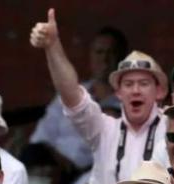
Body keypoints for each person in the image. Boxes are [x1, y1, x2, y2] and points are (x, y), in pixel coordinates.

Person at [30, 8, 169, 184]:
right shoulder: (105, 129)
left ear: (159, 91)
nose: (135, 90)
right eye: (128, 84)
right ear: (119, 93)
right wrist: (53, 46)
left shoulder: (173, 130)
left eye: (143, 83)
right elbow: (72, 96)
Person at [29, 26, 128, 171]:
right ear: (91, 57)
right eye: (99, 52)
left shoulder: (130, 103)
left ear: (123, 59)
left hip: (94, 172)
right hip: (55, 167)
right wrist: (59, 162)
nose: (104, 59)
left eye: (111, 52)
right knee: (30, 154)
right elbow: (41, 136)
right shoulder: (70, 92)